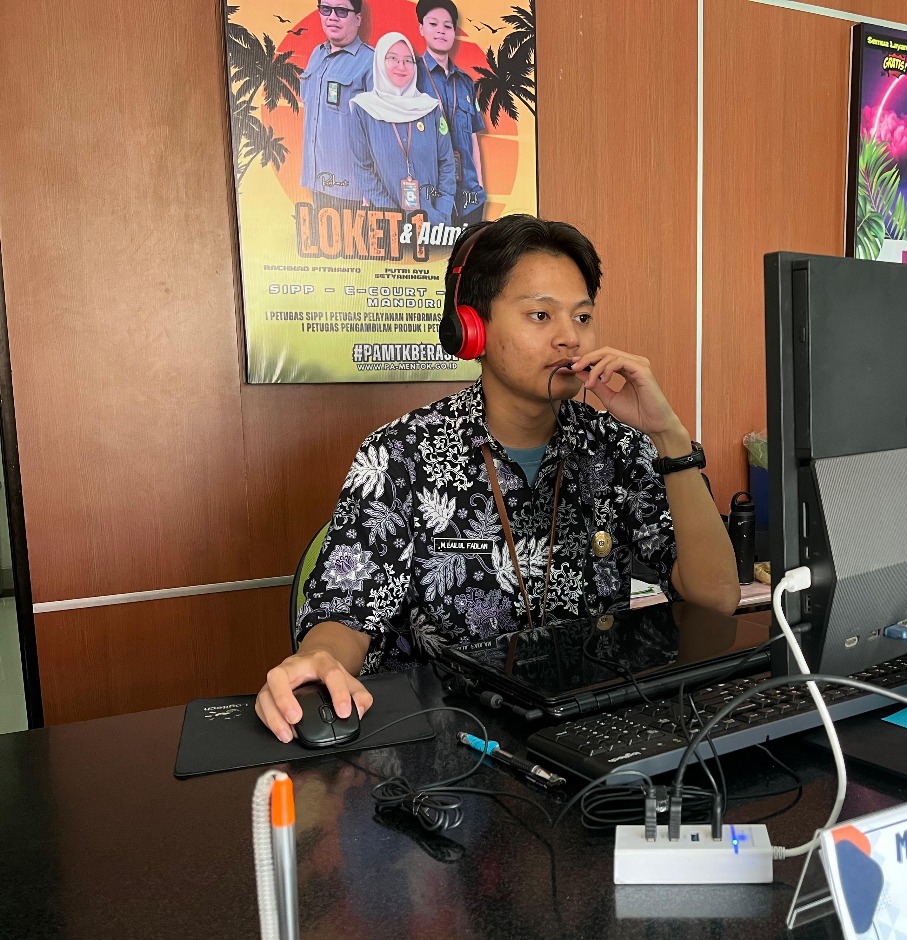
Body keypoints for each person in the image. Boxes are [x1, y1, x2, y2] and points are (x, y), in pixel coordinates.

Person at [255, 214, 740, 742]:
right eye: (540, 315)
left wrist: (669, 436)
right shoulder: (400, 456)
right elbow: (345, 614)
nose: (569, 338)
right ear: (473, 329)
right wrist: (320, 658)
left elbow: (716, 599)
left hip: (589, 738)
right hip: (446, 747)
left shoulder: (618, 447)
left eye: (582, 317)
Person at [348, 32, 456, 219]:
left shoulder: (430, 108)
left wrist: (442, 210)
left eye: (408, 60)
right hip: (386, 221)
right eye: (393, 58)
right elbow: (362, 168)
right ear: (380, 61)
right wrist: (391, 215)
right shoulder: (363, 108)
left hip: (434, 221)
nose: (401, 66)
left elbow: (447, 162)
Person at [416, 1, 487, 225]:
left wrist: (480, 186)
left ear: (454, 32)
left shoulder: (466, 82)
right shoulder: (412, 74)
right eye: (433, 24)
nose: (441, 31)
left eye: (447, 26)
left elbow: (473, 138)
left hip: (469, 199)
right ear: (421, 28)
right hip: (431, 198)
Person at [299, 0, 374, 209]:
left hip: (352, 192)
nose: (332, 17)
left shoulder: (371, 62)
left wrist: (371, 190)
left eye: (341, 10)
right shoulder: (317, 54)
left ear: (358, 18)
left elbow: (382, 132)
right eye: (326, 9)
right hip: (316, 182)